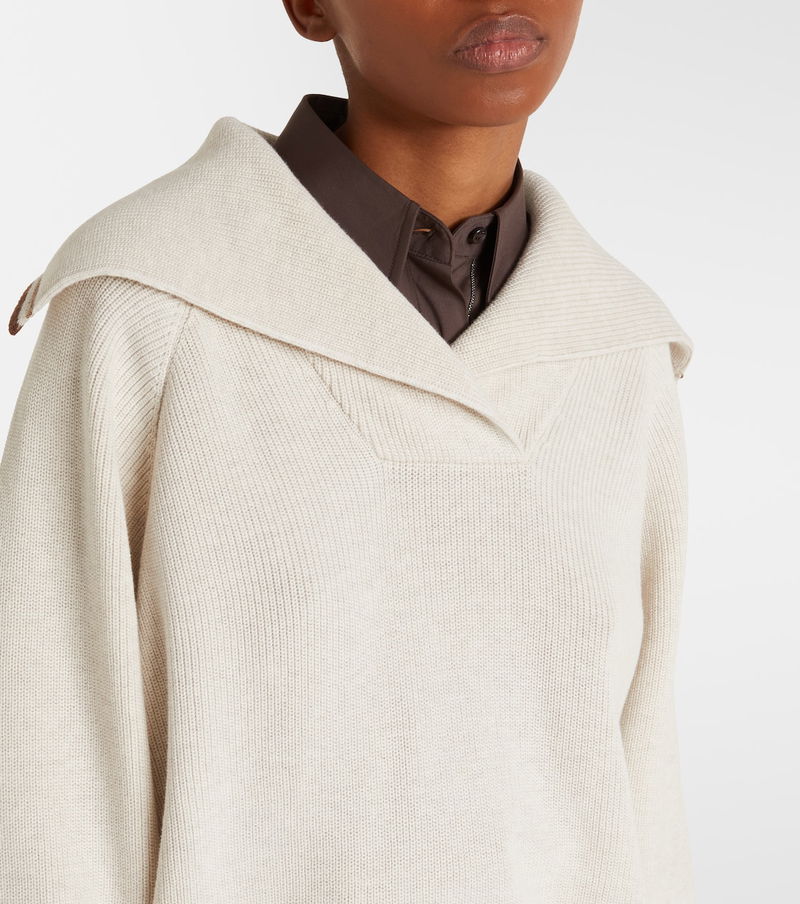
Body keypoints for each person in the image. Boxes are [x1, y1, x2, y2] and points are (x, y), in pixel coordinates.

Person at [0, 2, 697, 902]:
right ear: (310, 4)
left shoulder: (619, 348)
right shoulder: (146, 311)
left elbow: (641, 797)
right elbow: (45, 769)